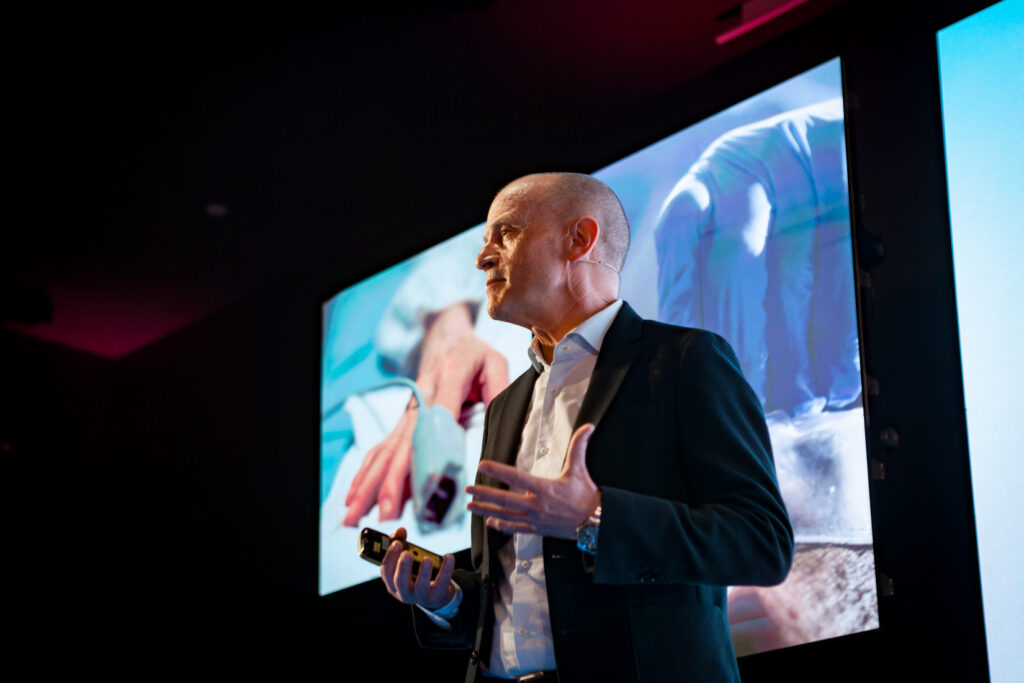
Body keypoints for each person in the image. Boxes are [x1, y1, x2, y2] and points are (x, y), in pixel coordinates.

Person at [379, 172, 794, 682]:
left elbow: (761, 542)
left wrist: (595, 518)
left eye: (505, 234)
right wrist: (446, 599)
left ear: (579, 240)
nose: (483, 257)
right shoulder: (507, 405)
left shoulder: (687, 362)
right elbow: (516, 594)